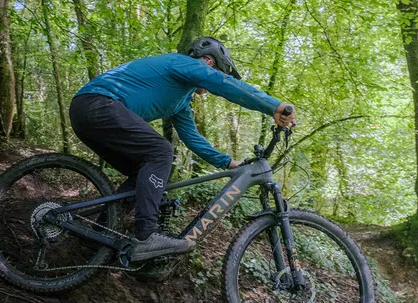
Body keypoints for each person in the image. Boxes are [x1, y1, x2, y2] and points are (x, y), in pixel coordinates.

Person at [69, 36, 296, 262]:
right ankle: (146, 236)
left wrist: (227, 162)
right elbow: (223, 84)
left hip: (89, 114)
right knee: (161, 151)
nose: (217, 76)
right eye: (218, 70)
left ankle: (97, 233)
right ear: (208, 61)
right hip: (97, 104)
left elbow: (192, 137)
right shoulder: (182, 63)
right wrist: (273, 106)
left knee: (143, 171)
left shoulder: (181, 100)